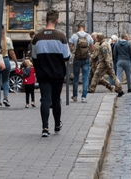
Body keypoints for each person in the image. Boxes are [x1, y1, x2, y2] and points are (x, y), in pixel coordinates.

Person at [31, 9, 70, 138]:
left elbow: (34, 57)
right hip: (58, 73)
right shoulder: (61, 37)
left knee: (45, 99)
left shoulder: (37, 37)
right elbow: (67, 56)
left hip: (43, 74)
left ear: (46, 20)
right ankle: (57, 125)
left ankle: (45, 127)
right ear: (57, 20)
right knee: (56, 99)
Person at [69, 22, 94, 103]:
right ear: (84, 28)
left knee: (76, 77)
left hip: (77, 59)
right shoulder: (88, 36)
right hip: (86, 59)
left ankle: (75, 96)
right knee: (85, 78)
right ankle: (84, 97)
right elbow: (93, 49)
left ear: (77, 27)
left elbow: (70, 48)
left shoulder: (74, 35)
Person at [0, 31, 18, 108]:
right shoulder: (8, 40)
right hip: (5, 59)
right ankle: (5, 98)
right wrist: (16, 62)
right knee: (6, 80)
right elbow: (11, 52)